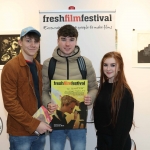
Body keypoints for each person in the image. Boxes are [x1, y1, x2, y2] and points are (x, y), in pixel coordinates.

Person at [42, 24, 98, 150]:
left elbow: (94, 87)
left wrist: (91, 97)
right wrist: (48, 104)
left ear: (76, 41)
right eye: (63, 39)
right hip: (56, 122)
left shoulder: (85, 63)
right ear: (57, 40)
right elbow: (44, 91)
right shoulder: (48, 64)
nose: (67, 44)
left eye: (71, 39)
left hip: (78, 122)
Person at [1, 26, 52, 150]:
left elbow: (43, 96)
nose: (32, 45)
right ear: (20, 42)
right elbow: (10, 104)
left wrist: (49, 107)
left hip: (40, 131)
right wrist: (35, 124)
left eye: (36, 41)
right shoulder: (11, 67)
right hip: (20, 133)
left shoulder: (40, 68)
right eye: (28, 40)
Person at [93, 51, 134, 150]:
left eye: (113, 65)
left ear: (120, 68)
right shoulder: (103, 87)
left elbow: (123, 127)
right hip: (103, 142)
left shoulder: (125, 92)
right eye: (105, 65)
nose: (108, 69)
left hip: (118, 144)